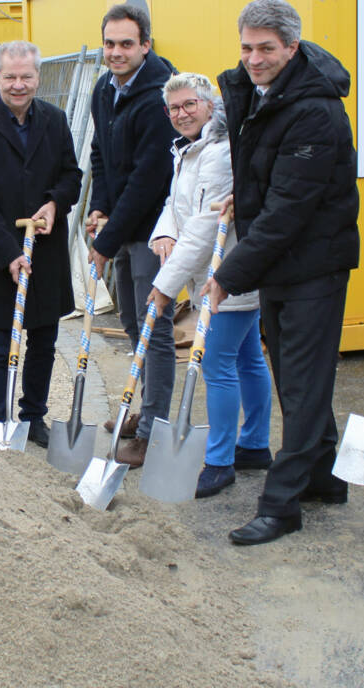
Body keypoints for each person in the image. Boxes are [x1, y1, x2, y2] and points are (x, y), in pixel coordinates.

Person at [203, 0, 360, 545]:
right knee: (298, 378)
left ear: (292, 47)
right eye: (246, 47)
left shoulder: (314, 109)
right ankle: (325, 478)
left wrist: (228, 272)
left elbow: (291, 207)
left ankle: (282, 503)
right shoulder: (265, 95)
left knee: (305, 380)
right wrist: (240, 203)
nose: (253, 58)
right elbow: (266, 181)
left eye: (266, 48)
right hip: (281, 265)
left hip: (314, 265)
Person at [144, 73, 272, 499]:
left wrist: (165, 286)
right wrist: (163, 231)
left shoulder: (220, 154)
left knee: (217, 365)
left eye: (189, 105)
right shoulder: (187, 151)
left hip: (228, 274)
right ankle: (254, 444)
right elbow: (174, 205)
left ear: (210, 105)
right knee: (249, 357)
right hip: (229, 274)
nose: (181, 114)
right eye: (174, 108)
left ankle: (220, 462)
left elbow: (202, 228)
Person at [0, 40, 82, 449]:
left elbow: (72, 177)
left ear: (38, 77)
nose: (19, 85)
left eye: (27, 76)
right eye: (10, 77)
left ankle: (33, 416)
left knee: (43, 340)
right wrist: (9, 253)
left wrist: (55, 202)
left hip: (45, 251)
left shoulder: (56, 120)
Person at [86, 3, 177, 468]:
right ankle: (144, 410)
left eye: (126, 43)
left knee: (154, 330)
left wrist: (105, 241)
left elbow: (147, 180)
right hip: (121, 223)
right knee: (130, 322)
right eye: (109, 43)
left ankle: (154, 429)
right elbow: (101, 153)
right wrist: (99, 207)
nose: (116, 52)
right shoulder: (106, 88)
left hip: (154, 230)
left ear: (146, 44)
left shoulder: (161, 95)